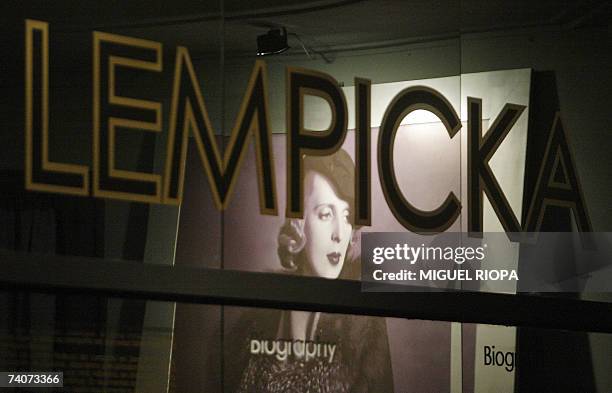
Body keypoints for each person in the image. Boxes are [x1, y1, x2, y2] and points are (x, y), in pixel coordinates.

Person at [228, 150, 394, 393]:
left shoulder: (364, 327)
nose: (339, 233)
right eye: (326, 214)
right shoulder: (254, 324)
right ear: (299, 222)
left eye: (347, 216)